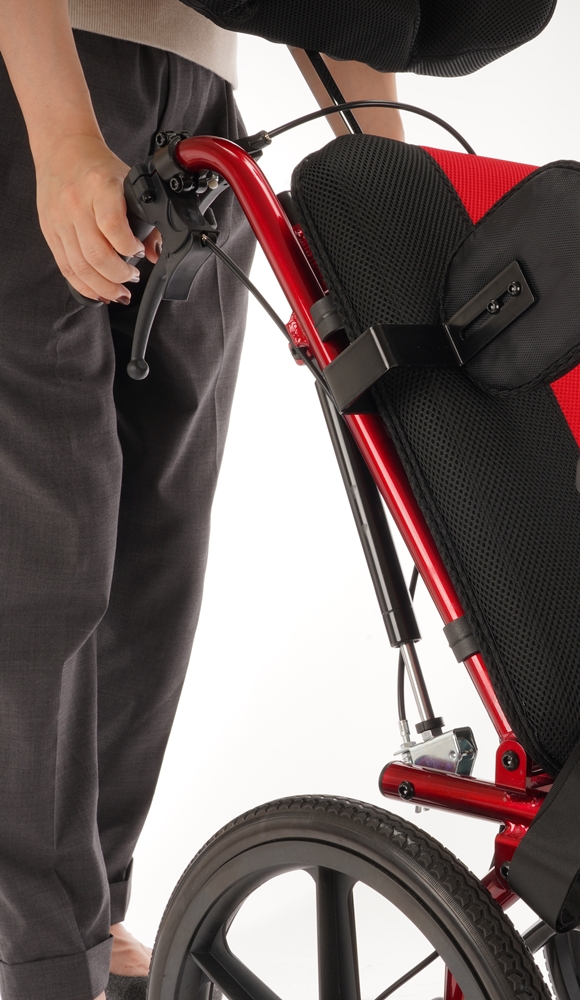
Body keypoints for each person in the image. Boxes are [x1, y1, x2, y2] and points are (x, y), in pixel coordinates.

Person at [0, 4, 402, 999]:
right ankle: (45, 956)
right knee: (47, 535)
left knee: (161, 538)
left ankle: (88, 912)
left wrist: (392, 184)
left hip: (203, 93)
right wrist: (60, 131)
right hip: (43, 61)